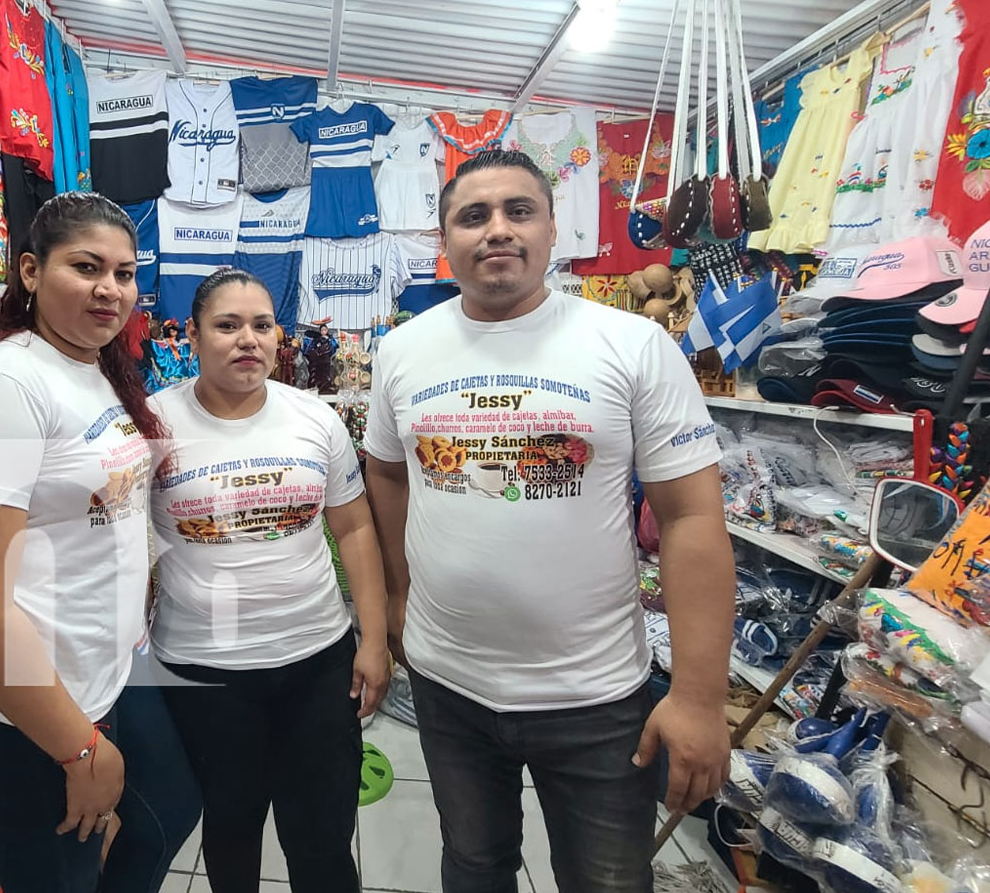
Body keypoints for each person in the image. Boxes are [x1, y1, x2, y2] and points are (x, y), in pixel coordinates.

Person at [362, 149, 734, 893]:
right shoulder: (401, 350)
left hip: (594, 698)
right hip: (449, 683)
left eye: (518, 211)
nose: (497, 230)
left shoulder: (633, 345)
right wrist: (400, 592)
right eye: (474, 216)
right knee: (474, 863)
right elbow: (387, 472)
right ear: (446, 241)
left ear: (552, 228)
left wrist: (697, 697)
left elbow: (692, 517)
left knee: (607, 881)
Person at [0, 193, 200, 893]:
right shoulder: (2, 386)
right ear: (29, 271)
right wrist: (78, 748)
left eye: (124, 272)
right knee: (60, 877)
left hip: (104, 672)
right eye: (86, 267)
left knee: (168, 807)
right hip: (19, 711)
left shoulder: (93, 369)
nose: (110, 289)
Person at [150, 269, 388, 893]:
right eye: (226, 326)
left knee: (322, 836)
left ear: (279, 335)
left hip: (315, 661)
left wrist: (374, 637)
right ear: (193, 338)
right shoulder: (150, 425)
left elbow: (355, 529)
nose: (247, 339)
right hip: (204, 672)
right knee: (230, 833)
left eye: (261, 325)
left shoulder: (315, 418)